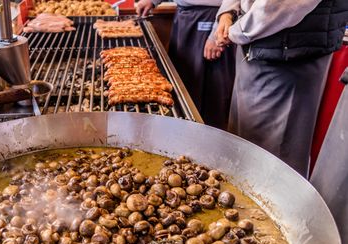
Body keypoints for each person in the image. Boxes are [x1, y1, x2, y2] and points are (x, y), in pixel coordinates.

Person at [214, 0, 348, 177]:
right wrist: (227, 13)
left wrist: (238, 31)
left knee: (273, 160)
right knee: (245, 144)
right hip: (256, 45)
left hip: (288, 56)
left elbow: (280, 6)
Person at [137, 0, 235, 130]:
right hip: (185, 16)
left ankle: (208, 141)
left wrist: (215, 34)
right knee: (182, 85)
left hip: (211, 18)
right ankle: (183, 135)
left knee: (212, 95)